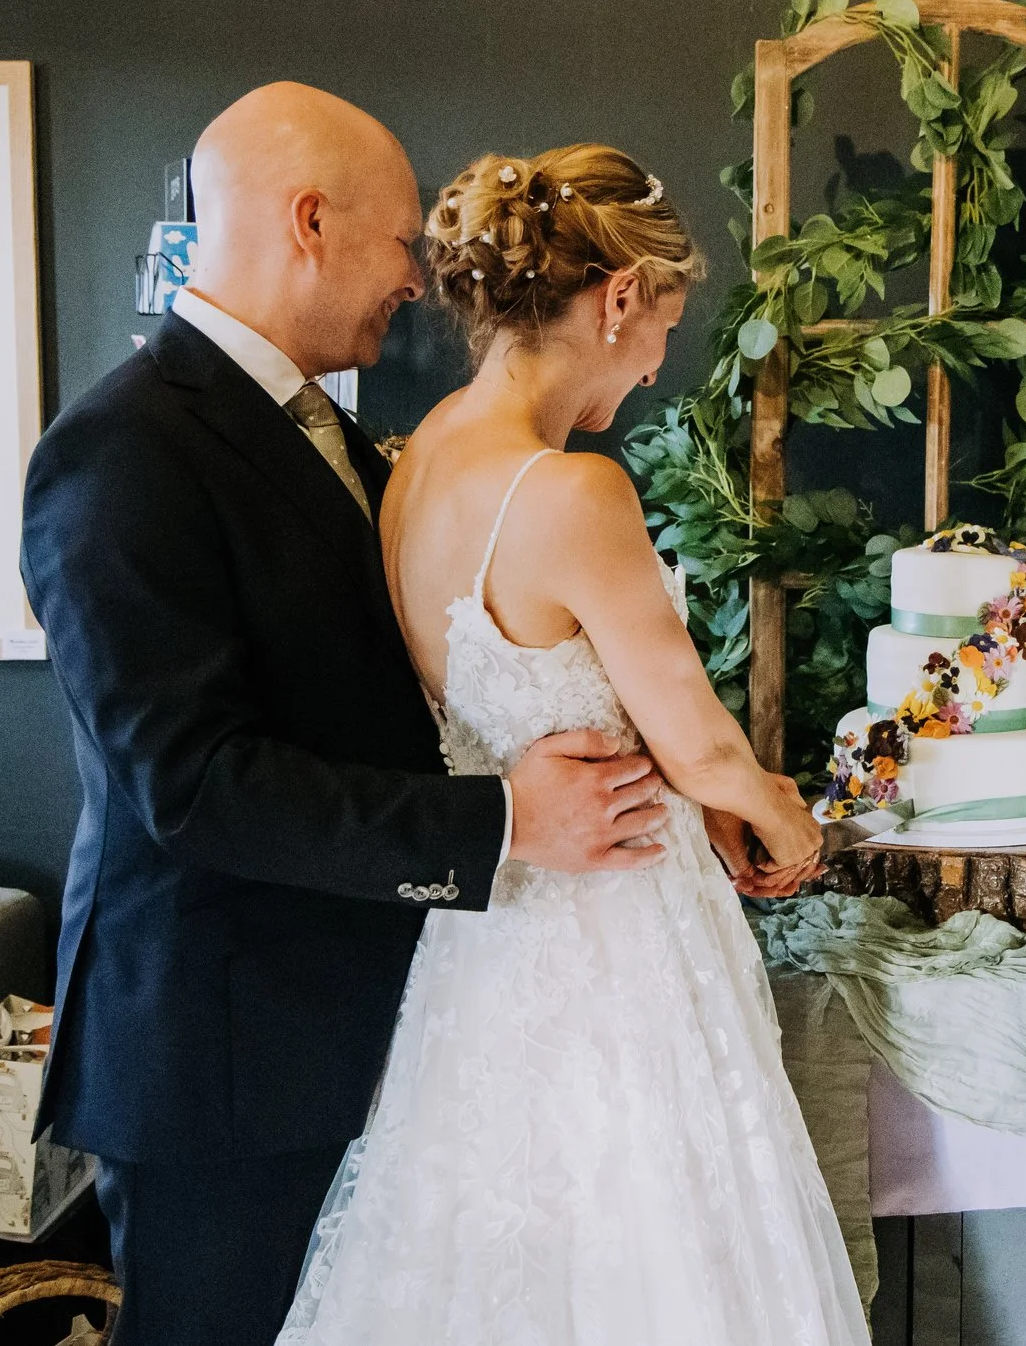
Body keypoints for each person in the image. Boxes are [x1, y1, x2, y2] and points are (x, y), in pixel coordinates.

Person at [22, 84, 680, 1346]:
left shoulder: (355, 438)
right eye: (398, 246)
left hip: (374, 1021)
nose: (421, 282)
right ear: (309, 221)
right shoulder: (121, 450)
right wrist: (500, 819)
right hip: (223, 1061)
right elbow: (194, 781)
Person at [277, 144, 864, 1345]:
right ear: (615, 301)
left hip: (485, 942)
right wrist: (797, 826)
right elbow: (698, 744)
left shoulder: (419, 456)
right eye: (661, 330)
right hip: (616, 942)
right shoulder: (570, 490)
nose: (654, 367)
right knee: (648, 1259)